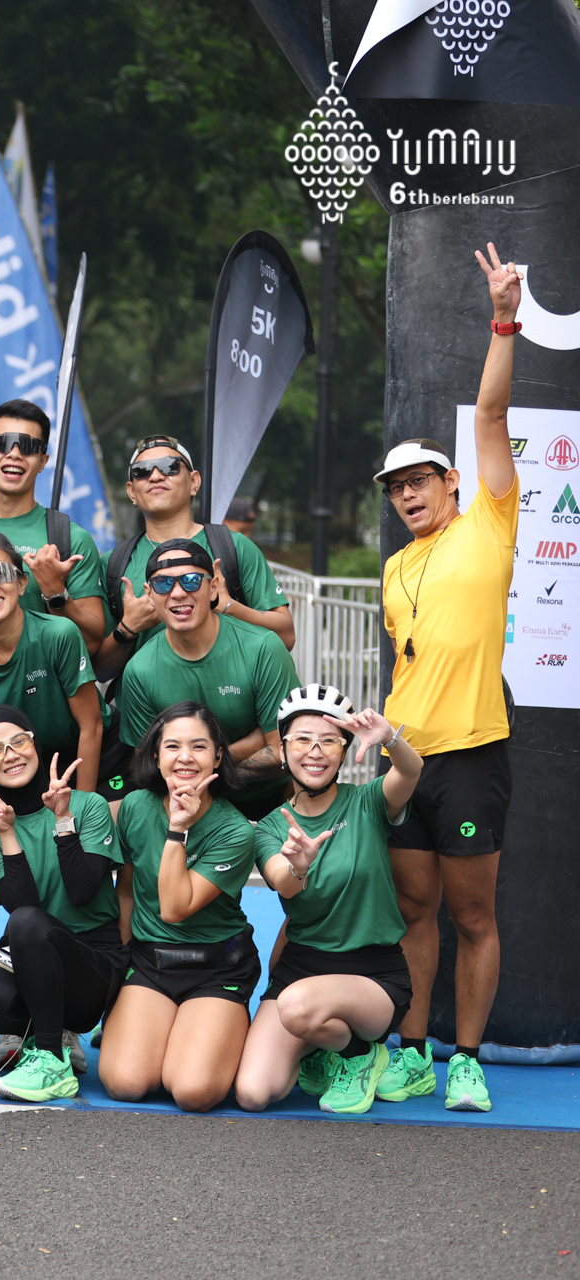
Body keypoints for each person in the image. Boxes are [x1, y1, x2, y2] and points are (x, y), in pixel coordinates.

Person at [374, 244, 524, 1115]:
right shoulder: (396, 569)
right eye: (395, 488)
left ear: (453, 481)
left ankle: (467, 1059)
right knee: (412, 913)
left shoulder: (490, 522)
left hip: (471, 755)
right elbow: (410, 664)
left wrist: (503, 320)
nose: (407, 495)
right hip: (406, 762)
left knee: (473, 917)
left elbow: (493, 412)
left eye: (420, 480)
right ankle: (413, 1051)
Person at [235, 686, 423, 1115]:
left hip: (373, 975)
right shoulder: (270, 827)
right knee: (253, 1093)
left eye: (329, 741)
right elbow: (283, 883)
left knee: (297, 1006)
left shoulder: (368, 802)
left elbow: (411, 771)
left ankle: (359, 1053)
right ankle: (323, 1047)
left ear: (343, 752)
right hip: (303, 969)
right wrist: (299, 866)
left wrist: (391, 738)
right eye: (302, 739)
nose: (315, 751)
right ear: (283, 751)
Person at [0, 706, 125, 1103]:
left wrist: (63, 819)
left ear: (36, 744)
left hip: (91, 962)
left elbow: (82, 891)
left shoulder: (88, 806)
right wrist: (7, 833)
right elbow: (23, 904)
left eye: (19, 741)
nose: (10, 754)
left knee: (29, 924)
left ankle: (51, 1056)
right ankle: (40, 1030)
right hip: (30, 953)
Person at [97, 703, 259, 1112]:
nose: (185, 757)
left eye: (198, 746)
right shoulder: (134, 807)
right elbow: (126, 891)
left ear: (218, 756)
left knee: (192, 1091)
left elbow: (174, 908)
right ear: (156, 755)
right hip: (150, 963)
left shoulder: (236, 830)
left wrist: (177, 829)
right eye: (172, 746)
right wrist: (119, 968)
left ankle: (227, 1026)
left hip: (217, 968)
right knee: (125, 1083)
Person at [115, 540, 295, 820]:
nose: (177, 593)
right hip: (186, 808)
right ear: (149, 594)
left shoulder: (262, 647)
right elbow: (148, 764)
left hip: (270, 804)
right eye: (163, 584)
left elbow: (285, 749)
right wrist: (244, 744)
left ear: (213, 587)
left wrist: (203, 760)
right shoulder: (139, 670)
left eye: (191, 580)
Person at [97, 435, 292, 678]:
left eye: (169, 467)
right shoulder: (114, 563)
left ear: (194, 482)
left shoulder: (234, 547)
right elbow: (99, 671)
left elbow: (286, 636)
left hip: (230, 697)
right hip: (145, 702)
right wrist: (128, 629)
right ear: (131, 491)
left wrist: (229, 607)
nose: (155, 476)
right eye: (141, 471)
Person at [0, 401, 108, 652]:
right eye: (2, 443)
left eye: (28, 446)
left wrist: (56, 593)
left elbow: (90, 645)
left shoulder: (70, 539)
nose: (14, 454)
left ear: (43, 461)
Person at [0, 531, 101, 793]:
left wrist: (84, 804)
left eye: (1, 573)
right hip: (17, 762)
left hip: (86, 755)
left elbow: (91, 726)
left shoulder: (59, 634)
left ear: (22, 584)